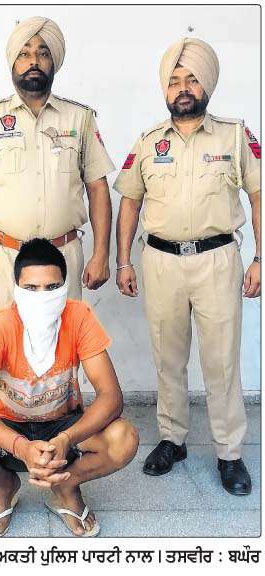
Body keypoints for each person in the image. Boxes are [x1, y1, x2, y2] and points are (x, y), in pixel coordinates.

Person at [114, 38, 260, 495]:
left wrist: (260, 258)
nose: (183, 88)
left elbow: (258, 195)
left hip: (218, 260)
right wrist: (123, 261)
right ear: (165, 89)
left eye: (192, 79)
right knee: (168, 357)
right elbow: (129, 202)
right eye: (175, 80)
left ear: (207, 85)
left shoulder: (235, 136)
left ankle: (229, 452)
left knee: (222, 361)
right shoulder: (148, 141)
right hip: (161, 262)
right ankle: (172, 439)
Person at [0, 238, 138, 537]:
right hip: (7, 428)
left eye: (52, 287)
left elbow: (111, 396)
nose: (42, 297)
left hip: (64, 425)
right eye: (31, 288)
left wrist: (66, 439)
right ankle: (4, 485)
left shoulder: (79, 316)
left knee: (124, 439)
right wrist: (20, 446)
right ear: (16, 288)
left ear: (65, 287)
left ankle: (66, 485)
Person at [0, 16, 115, 310]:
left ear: (54, 62)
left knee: (63, 338)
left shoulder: (79, 118)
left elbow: (98, 188)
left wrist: (101, 254)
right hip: (3, 258)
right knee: (4, 338)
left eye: (43, 53)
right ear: (13, 63)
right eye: (24, 54)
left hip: (63, 256)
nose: (34, 61)